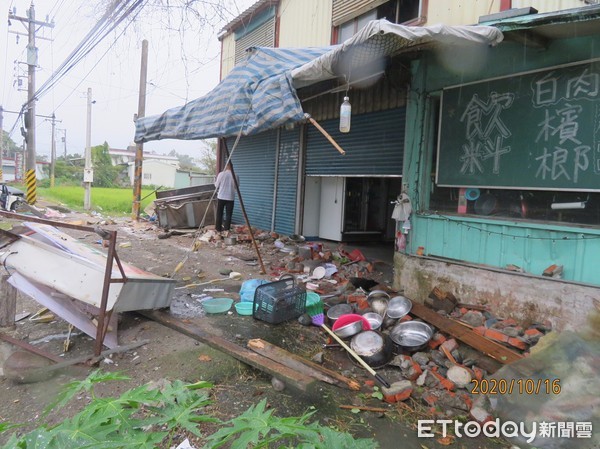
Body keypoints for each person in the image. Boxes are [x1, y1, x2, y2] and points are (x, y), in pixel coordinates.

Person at [214, 162, 236, 236]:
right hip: (230, 197)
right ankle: (226, 230)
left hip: (221, 197)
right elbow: (237, 187)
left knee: (219, 214)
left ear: (226, 166)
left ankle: (218, 230)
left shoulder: (221, 174)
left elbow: (216, 185)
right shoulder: (235, 175)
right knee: (228, 214)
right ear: (232, 167)